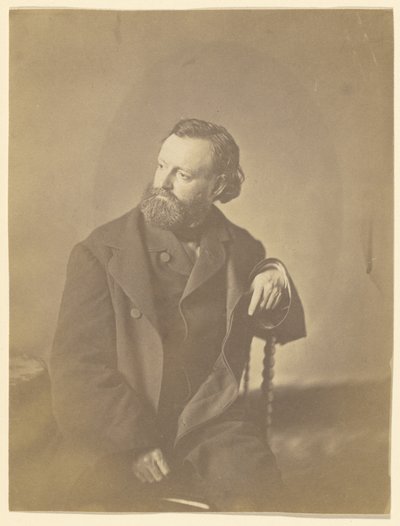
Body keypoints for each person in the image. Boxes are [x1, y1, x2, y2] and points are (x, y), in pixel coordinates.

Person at [48, 118, 306, 512]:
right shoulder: (100, 253)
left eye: (182, 175)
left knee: (262, 500)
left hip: (212, 424)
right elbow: (77, 368)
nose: (162, 183)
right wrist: (131, 444)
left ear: (218, 186)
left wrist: (276, 277)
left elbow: (281, 329)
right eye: (161, 166)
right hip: (123, 422)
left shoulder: (242, 250)